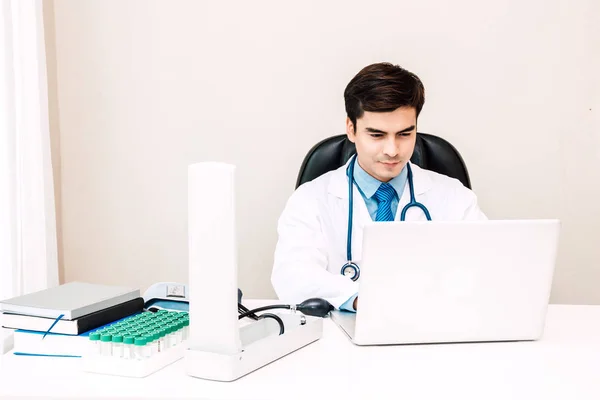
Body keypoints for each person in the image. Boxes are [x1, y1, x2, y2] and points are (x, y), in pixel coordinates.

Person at [270, 62, 487, 312]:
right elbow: (293, 276)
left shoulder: (454, 197)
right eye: (376, 135)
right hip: (341, 337)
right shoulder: (310, 199)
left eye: (405, 134)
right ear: (351, 129)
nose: (392, 150)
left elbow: (483, 269)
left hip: (431, 329)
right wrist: (361, 299)